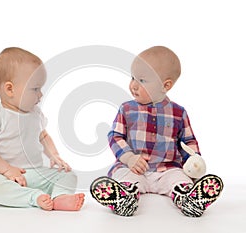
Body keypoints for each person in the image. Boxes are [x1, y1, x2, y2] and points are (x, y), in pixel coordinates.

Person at [90, 46, 223, 217]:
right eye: (133, 78)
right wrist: (129, 158)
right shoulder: (127, 109)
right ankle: (125, 197)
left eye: (142, 81)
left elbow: (188, 142)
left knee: (178, 179)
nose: (133, 85)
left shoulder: (178, 112)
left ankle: (189, 198)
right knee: (126, 176)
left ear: (165, 85)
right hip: (135, 168)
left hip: (167, 169)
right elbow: (115, 136)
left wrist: (193, 162)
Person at [0, 47, 84, 211]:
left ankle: (59, 197)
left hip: (35, 174)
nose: (40, 95)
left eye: (40, 89)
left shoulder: (36, 114)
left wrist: (54, 155)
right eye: (35, 89)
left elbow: (43, 136)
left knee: (68, 174)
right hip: (4, 176)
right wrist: (7, 170)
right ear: (10, 89)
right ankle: (33, 197)